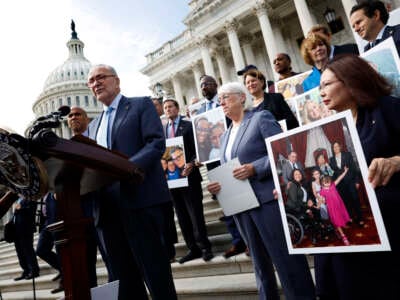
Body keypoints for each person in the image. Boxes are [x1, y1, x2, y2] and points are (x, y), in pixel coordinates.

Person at [207, 82, 315, 300]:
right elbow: (230, 168)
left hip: (267, 201)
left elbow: (284, 151)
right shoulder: (225, 136)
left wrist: (255, 167)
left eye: (226, 97)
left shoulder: (261, 118)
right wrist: (218, 185)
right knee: (259, 264)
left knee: (285, 259)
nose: (222, 103)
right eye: (220, 100)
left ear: (241, 98)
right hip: (241, 205)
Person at [86, 64, 176, 299]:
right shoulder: (92, 126)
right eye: (92, 81)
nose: (96, 83)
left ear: (116, 81)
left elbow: (156, 143)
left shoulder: (140, 105)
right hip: (106, 211)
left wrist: (124, 169)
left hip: (139, 201)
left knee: (156, 276)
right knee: (124, 281)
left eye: (101, 77)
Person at [318, 54, 400, 298]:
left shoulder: (388, 108)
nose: (320, 92)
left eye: (326, 85)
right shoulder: (335, 128)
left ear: (350, 80)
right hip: (353, 238)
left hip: (392, 232)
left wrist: (396, 161)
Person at [196, 75, 247, 259]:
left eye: (207, 84)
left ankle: (248, 240)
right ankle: (237, 241)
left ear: (215, 85)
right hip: (213, 161)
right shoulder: (200, 111)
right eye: (202, 85)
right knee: (226, 203)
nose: (204, 87)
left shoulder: (226, 104)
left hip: (231, 155)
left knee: (241, 199)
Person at [163, 98, 213, 264]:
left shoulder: (189, 125)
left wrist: (192, 163)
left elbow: (199, 149)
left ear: (177, 109)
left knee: (195, 214)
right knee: (182, 216)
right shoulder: (163, 130)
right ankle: (193, 248)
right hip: (173, 180)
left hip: (189, 176)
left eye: (171, 106)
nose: (168, 109)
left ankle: (205, 247)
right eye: (165, 107)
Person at [329, 141, 364, 226]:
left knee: (355, 199)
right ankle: (350, 218)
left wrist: (356, 181)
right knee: (346, 201)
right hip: (341, 185)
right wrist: (333, 185)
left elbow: (353, 168)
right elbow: (333, 173)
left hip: (351, 181)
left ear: (340, 147)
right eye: (334, 147)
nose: (336, 148)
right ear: (332, 149)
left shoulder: (347, 154)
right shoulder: (331, 159)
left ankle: (360, 218)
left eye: (337, 146)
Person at [35, 193, 63, 294]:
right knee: (40, 250)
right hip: (46, 221)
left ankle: (65, 280)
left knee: (61, 250)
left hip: (57, 217)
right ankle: (62, 268)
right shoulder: (42, 191)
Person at [319, 168, 351, 246]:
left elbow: (339, 178)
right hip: (332, 208)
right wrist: (321, 201)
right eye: (325, 182)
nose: (327, 184)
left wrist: (345, 172)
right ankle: (343, 236)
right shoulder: (322, 191)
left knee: (341, 218)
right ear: (322, 183)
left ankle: (338, 229)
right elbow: (322, 200)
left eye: (328, 182)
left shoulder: (333, 186)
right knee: (337, 221)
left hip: (339, 205)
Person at [13, 196, 40, 281]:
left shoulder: (30, 198)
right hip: (16, 230)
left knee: (28, 250)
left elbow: (31, 211)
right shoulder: (17, 200)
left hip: (26, 229)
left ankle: (34, 270)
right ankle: (26, 270)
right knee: (19, 252)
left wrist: (20, 208)